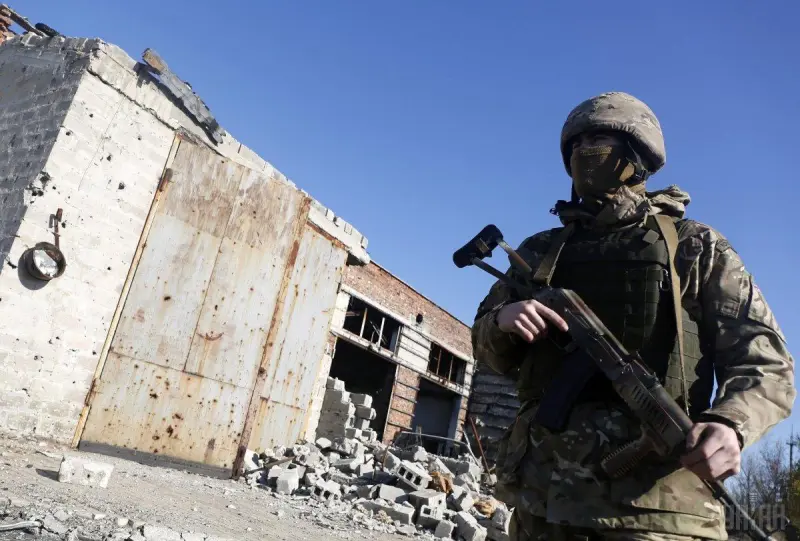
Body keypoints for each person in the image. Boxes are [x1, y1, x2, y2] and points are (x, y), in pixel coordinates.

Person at [471, 92, 795, 541]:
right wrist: (502, 321)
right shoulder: (540, 251)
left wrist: (730, 424)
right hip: (541, 500)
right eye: (577, 143)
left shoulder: (695, 246)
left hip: (659, 509)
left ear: (637, 153)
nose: (585, 150)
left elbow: (767, 365)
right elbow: (486, 352)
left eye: (599, 139)